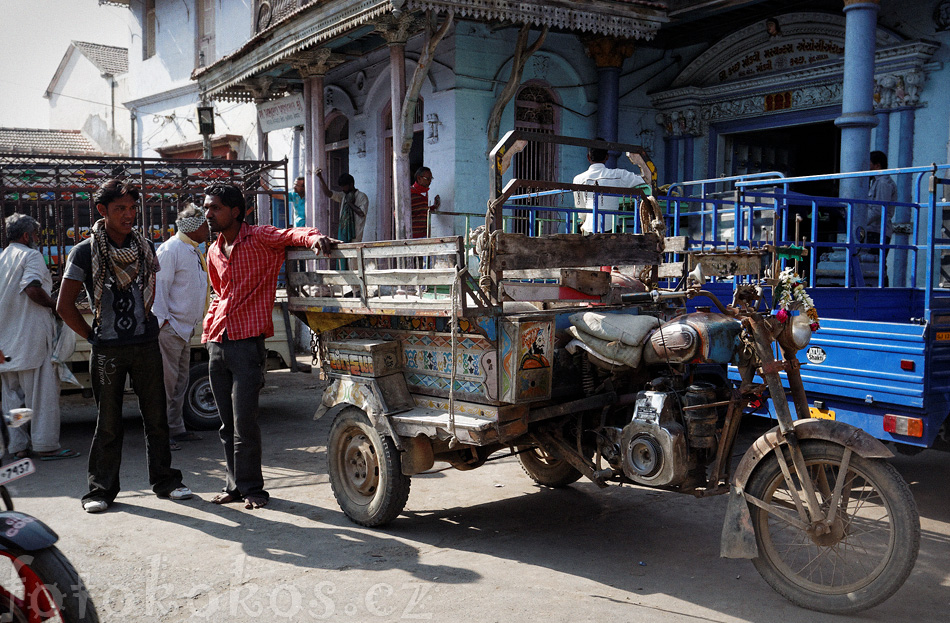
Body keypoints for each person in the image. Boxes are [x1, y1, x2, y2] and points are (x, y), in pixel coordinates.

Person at [57, 179, 193, 513]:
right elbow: (64, 305)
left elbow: (153, 292)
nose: (129, 215)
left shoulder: (145, 246)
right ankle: (100, 491)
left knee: (157, 418)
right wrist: (92, 337)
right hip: (108, 350)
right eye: (120, 209)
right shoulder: (85, 252)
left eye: (133, 208)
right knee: (108, 422)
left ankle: (166, 481)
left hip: (146, 344)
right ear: (102, 211)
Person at [202, 183, 334, 510]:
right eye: (207, 207)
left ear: (235, 211)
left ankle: (253, 489)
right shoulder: (214, 250)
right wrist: (210, 326)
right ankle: (233, 485)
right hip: (217, 342)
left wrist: (315, 239)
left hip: (247, 344)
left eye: (214, 208)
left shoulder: (259, 237)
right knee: (226, 425)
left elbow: (293, 234)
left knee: (245, 421)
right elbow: (218, 292)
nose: (208, 214)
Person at [0, 214, 77, 461]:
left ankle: (18, 447)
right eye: (35, 234)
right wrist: (57, 306)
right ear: (26, 236)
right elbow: (32, 287)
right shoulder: (30, 256)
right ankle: (46, 446)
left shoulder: (2, 258)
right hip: (30, 338)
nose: (37, 239)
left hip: (6, 342)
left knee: (12, 399)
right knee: (41, 397)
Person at [153, 204, 210, 450]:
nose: (209, 228)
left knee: (179, 382)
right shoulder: (172, 249)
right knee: (166, 385)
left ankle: (176, 428)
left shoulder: (193, 250)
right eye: (205, 224)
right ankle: (162, 435)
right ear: (195, 226)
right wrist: (164, 322)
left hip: (185, 328)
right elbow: (159, 289)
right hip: (171, 328)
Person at [573, 144, 646, 234]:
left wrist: (583, 220)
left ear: (588, 157)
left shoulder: (578, 179)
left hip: (589, 229)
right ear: (607, 157)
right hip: (612, 230)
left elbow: (581, 208)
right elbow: (645, 179)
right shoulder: (619, 175)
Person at [315, 169, 368, 243]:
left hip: (356, 235)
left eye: (344, 186)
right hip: (344, 234)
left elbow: (362, 213)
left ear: (351, 184)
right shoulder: (343, 195)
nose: (342, 189)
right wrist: (320, 178)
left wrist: (350, 204)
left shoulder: (362, 196)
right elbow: (328, 193)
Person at [867, 150, 897, 245]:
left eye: (869, 164)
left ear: (877, 166)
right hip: (874, 230)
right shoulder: (876, 182)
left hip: (877, 231)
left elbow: (879, 209)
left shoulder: (883, 183)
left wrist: (859, 222)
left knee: (874, 259)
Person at [410, 166, 440, 238]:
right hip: (412, 235)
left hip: (424, 234)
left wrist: (434, 207)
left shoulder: (425, 193)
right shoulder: (409, 193)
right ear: (419, 178)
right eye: (427, 179)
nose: (430, 181)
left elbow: (421, 210)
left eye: (431, 179)